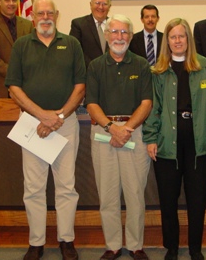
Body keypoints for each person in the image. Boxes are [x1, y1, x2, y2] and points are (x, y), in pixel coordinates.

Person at [5, 0, 86, 260]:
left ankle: (66, 240)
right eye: (40, 13)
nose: (45, 17)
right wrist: (42, 116)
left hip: (65, 124)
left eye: (50, 12)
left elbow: (80, 86)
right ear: (33, 17)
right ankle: (36, 242)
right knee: (34, 187)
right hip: (32, 125)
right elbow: (13, 87)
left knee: (66, 186)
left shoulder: (72, 44)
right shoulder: (21, 45)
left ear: (57, 15)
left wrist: (59, 116)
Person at [143, 18, 206, 260]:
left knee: (197, 199)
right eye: (173, 37)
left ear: (188, 39)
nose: (177, 41)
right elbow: (154, 108)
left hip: (199, 144)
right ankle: (171, 247)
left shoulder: (205, 66)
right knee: (168, 200)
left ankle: (195, 249)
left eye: (182, 36)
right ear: (166, 41)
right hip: (166, 145)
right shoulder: (158, 71)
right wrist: (150, 138)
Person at [85, 14, 153, 260]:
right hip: (103, 133)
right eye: (114, 32)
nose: (119, 37)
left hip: (134, 133)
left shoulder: (141, 65)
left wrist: (126, 129)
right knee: (108, 194)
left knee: (135, 194)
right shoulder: (95, 66)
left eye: (124, 32)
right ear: (106, 35)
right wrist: (111, 128)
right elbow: (91, 103)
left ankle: (136, 245)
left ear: (131, 36)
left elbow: (147, 103)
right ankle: (113, 245)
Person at [70, 0, 112, 68]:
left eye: (104, 4)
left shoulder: (114, 25)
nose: (100, 7)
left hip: (111, 73)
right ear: (90, 4)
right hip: (87, 73)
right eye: (97, 3)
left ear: (109, 7)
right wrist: (94, 67)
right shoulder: (78, 24)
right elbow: (75, 51)